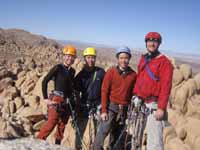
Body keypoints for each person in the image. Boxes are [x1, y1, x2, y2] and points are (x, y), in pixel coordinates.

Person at [133, 32, 173, 150]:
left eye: (155, 41)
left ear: (159, 44)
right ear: (146, 43)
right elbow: (139, 78)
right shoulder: (144, 58)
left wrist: (161, 108)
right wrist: (135, 94)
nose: (151, 44)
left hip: (154, 105)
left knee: (154, 143)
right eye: (149, 41)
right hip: (140, 103)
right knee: (135, 137)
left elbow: (166, 86)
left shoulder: (165, 63)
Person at [94, 46, 137, 150]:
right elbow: (104, 91)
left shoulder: (133, 75)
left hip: (124, 109)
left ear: (129, 59)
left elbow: (133, 92)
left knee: (117, 135)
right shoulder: (111, 72)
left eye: (126, 58)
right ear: (118, 59)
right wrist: (104, 110)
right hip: (111, 107)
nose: (123, 60)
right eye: (121, 58)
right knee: (103, 132)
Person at [37, 45, 77, 145]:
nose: (70, 58)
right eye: (68, 56)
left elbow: (71, 88)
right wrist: (45, 98)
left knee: (62, 126)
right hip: (57, 99)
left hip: (67, 102)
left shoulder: (72, 71)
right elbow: (45, 81)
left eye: (72, 56)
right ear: (64, 56)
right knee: (51, 123)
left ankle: (57, 145)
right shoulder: (58, 68)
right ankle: (37, 143)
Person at [74, 47, 105, 149]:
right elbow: (76, 93)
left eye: (92, 57)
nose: (90, 60)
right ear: (85, 59)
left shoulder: (101, 72)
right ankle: (78, 148)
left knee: (99, 133)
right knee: (79, 132)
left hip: (98, 106)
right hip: (84, 106)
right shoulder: (80, 76)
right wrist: (77, 108)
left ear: (95, 59)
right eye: (88, 57)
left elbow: (106, 89)